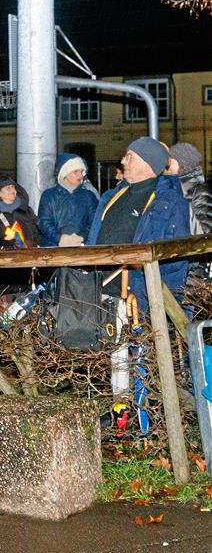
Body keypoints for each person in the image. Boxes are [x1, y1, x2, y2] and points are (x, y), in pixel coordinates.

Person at [86, 137, 190, 400]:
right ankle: (115, 408)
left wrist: (165, 300)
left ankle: (140, 414)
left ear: (147, 163)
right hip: (104, 290)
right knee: (108, 356)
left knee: (136, 359)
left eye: (129, 156)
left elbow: (175, 259)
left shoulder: (169, 202)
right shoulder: (112, 195)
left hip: (139, 294)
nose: (123, 161)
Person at [166, 142, 211, 291]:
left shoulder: (198, 191)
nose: (166, 167)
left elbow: (205, 231)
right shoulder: (175, 189)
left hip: (193, 271)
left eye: (170, 162)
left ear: (181, 163)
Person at [37, 153, 98, 247]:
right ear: (64, 173)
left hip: (82, 248)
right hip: (53, 248)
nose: (80, 175)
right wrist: (59, 239)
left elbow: (94, 221)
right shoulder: (49, 195)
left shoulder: (89, 196)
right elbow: (44, 222)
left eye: (82, 171)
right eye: (75, 171)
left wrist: (81, 237)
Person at [0, 177, 39, 250]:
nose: (12, 190)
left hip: (28, 258)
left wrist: (33, 243)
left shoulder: (26, 211)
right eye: (8, 188)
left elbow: (38, 233)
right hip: (3, 259)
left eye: (13, 187)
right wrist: (0, 242)